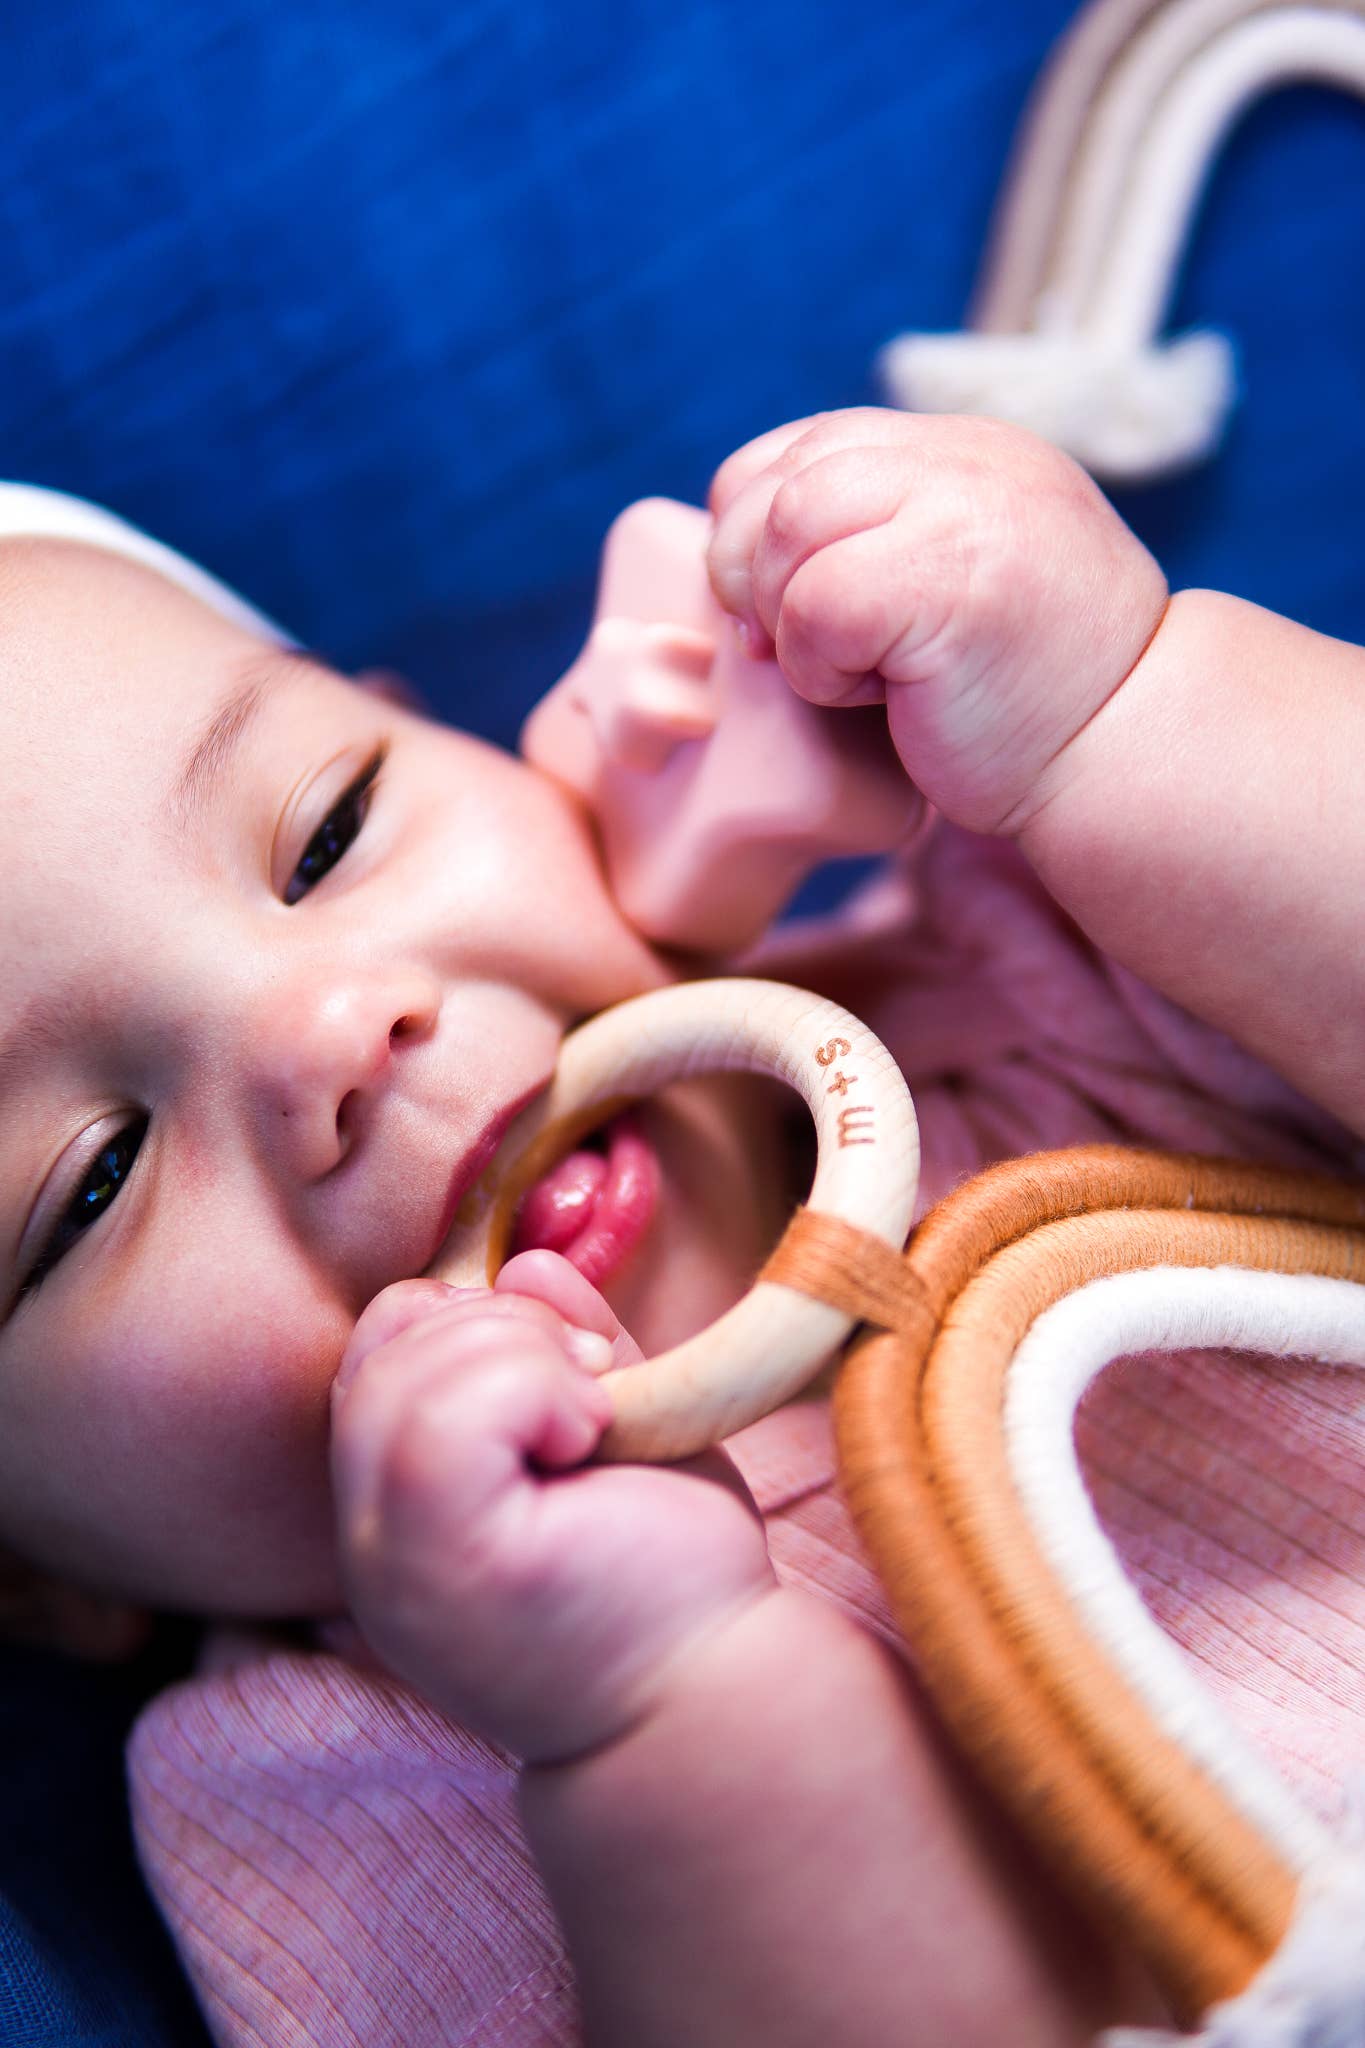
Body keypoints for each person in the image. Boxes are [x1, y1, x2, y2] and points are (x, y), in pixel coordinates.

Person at [1, 409, 1362, 2044]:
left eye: (331, 831)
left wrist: (1126, 707)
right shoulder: (334, 1790)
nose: (325, 1036)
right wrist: (666, 1709)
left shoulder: (1055, 956)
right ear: (33, 1578)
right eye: (92, 1181)